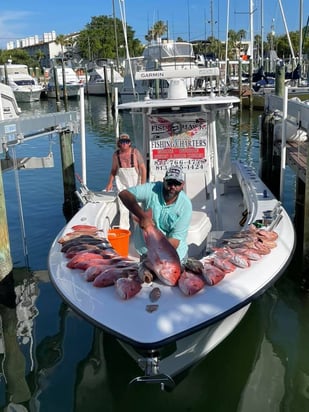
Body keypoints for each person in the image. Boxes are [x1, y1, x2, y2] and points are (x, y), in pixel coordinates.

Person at [118, 166, 192, 263]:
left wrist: (156, 258)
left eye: (177, 183)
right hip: (146, 251)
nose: (172, 187)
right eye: (169, 182)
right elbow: (124, 194)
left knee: (175, 276)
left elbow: (174, 241)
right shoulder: (152, 189)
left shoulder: (185, 206)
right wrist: (142, 216)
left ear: (182, 185)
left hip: (173, 254)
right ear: (164, 181)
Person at [105, 133, 147, 230]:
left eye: (126, 142)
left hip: (136, 184)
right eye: (122, 142)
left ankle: (139, 230)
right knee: (123, 208)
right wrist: (110, 182)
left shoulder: (135, 152)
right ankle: (124, 231)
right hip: (122, 185)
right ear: (119, 143)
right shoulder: (116, 155)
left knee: (137, 208)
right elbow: (114, 170)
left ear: (130, 143)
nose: (124, 144)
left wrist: (143, 185)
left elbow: (143, 169)